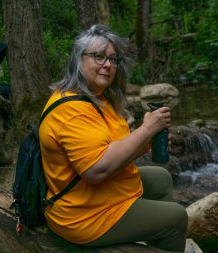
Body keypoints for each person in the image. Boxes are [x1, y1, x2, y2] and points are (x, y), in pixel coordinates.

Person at [39, 24, 188, 252]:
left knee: (160, 178)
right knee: (176, 218)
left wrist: (145, 142)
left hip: (98, 197)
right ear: (79, 60)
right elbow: (96, 170)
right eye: (98, 57)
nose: (107, 65)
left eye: (113, 59)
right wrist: (146, 130)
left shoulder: (98, 99)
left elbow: (113, 148)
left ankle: (151, 239)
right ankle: (159, 234)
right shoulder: (70, 110)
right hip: (83, 215)